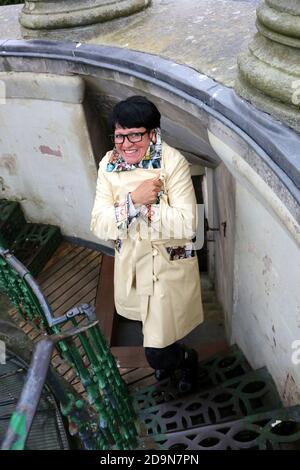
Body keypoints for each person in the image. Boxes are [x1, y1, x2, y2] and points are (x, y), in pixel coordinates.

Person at [91, 96, 203, 393]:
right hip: (132, 264)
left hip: (166, 264)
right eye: (120, 135)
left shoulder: (172, 162)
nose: (126, 144)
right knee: (152, 327)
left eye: (135, 135)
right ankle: (173, 362)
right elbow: (99, 224)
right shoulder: (108, 164)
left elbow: (188, 223)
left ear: (153, 134)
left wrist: (140, 211)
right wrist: (135, 200)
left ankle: (182, 360)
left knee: (157, 343)